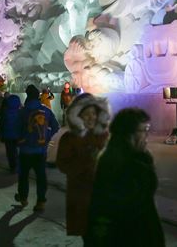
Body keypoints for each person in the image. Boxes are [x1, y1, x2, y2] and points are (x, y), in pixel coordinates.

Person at [85, 108, 165, 247]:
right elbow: (125, 213)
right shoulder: (122, 165)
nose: (147, 135)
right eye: (144, 129)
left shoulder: (133, 159)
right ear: (129, 133)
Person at [56, 93, 110, 242]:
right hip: (83, 198)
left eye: (93, 113)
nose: (91, 117)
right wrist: (88, 160)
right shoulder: (69, 138)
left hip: (105, 197)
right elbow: (63, 165)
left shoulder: (104, 135)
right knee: (91, 238)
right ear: (77, 116)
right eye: (86, 114)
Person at [15, 84, 60, 212]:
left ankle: (23, 198)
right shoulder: (46, 110)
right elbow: (56, 127)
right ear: (38, 95)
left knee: (23, 176)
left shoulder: (22, 111)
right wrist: (46, 137)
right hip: (40, 150)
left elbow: (16, 128)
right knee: (41, 176)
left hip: (25, 150)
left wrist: (19, 140)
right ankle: (41, 201)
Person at [0, 94, 22, 172]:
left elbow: (1, 124)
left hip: (7, 135)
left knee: (10, 151)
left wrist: (1, 134)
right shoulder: (21, 112)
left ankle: (12, 167)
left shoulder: (4, 112)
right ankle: (18, 166)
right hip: (18, 135)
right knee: (18, 151)